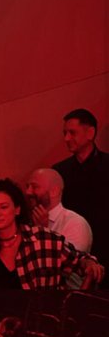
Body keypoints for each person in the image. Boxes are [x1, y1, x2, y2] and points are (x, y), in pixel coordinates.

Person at [0, 178, 103, 289]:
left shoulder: (43, 240)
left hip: (38, 318)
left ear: (17, 210)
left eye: (4, 207)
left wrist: (89, 264)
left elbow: (80, 259)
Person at [53, 108, 107, 272]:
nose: (66, 138)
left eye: (72, 133)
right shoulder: (59, 172)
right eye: (65, 133)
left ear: (90, 133)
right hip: (74, 253)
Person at [24, 168, 92, 252]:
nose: (28, 192)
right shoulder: (24, 221)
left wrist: (42, 231)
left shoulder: (75, 223)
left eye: (34, 187)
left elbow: (69, 259)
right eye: (27, 187)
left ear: (54, 191)